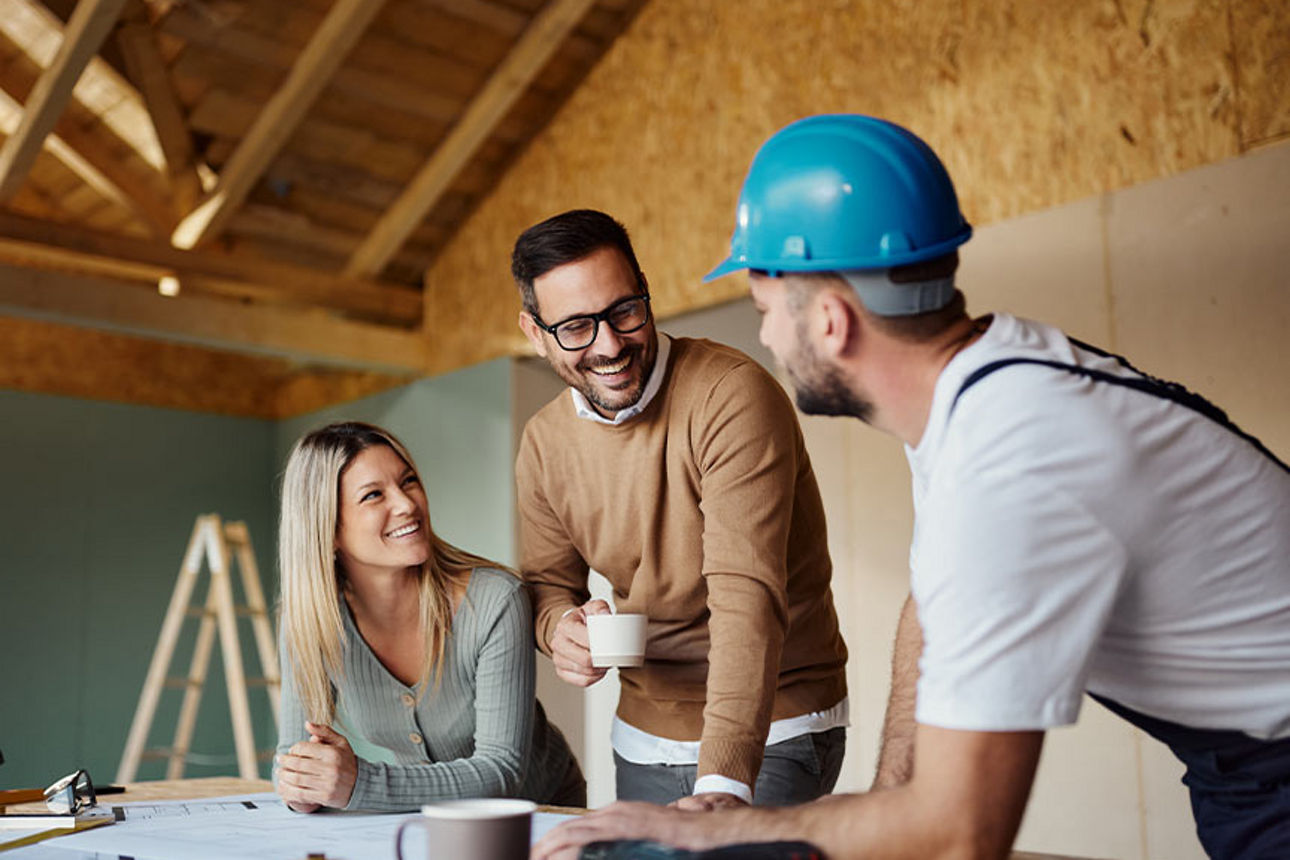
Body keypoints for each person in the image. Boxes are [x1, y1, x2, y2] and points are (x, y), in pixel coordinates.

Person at [533, 115, 1290, 859]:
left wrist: (717, 823)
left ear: (829, 321)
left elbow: (961, 834)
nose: (762, 339)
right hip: (1240, 764)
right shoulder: (984, 388)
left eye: (765, 312)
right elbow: (929, 604)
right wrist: (891, 792)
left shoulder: (1010, 463)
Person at [512, 209, 849, 809]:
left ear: (645, 289)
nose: (610, 344)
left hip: (774, 725)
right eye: (576, 328)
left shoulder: (729, 394)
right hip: (643, 736)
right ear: (536, 334)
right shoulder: (543, 443)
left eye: (624, 310)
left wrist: (723, 781)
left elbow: (746, 597)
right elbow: (546, 585)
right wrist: (559, 630)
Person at [272, 421, 583, 812]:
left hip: (541, 812)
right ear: (327, 529)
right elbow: (290, 758)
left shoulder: (495, 601)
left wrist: (358, 782)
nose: (406, 505)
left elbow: (502, 772)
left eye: (409, 482)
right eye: (373, 495)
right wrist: (308, 787)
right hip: (427, 820)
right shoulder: (308, 620)